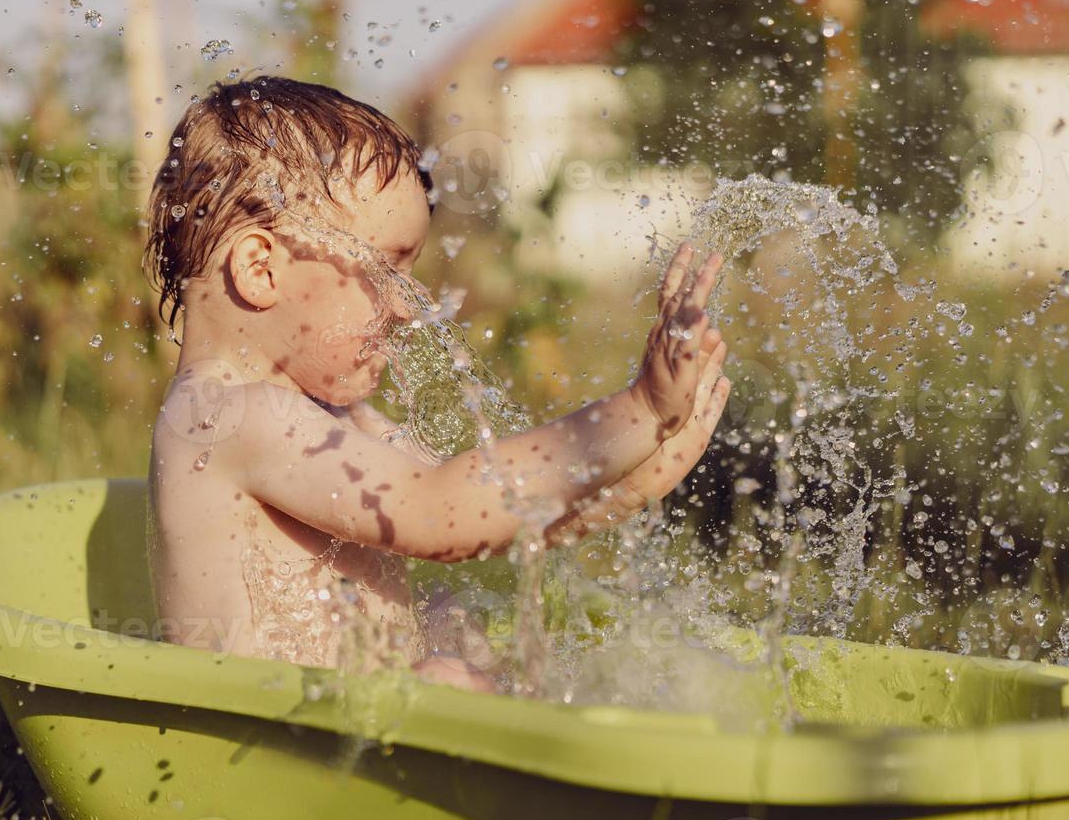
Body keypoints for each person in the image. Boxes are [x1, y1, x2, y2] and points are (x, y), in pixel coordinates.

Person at [144, 76, 729, 692]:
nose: (409, 304)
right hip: (266, 750)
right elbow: (437, 511)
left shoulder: (334, 417)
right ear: (262, 270)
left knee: (463, 632)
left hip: (346, 737)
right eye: (385, 268)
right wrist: (636, 410)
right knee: (447, 677)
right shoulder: (222, 417)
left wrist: (632, 482)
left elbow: (488, 508)